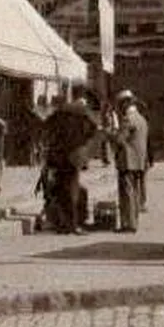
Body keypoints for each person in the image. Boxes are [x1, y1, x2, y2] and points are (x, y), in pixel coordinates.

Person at [41, 93, 98, 234]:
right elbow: (93, 129)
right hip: (74, 157)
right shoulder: (82, 115)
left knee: (61, 190)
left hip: (59, 157)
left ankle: (63, 224)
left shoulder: (57, 116)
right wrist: (82, 142)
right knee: (72, 190)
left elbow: (45, 130)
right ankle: (73, 224)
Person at [107, 90, 149, 232]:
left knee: (127, 193)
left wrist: (109, 133)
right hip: (139, 162)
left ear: (125, 104)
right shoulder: (141, 119)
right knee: (135, 193)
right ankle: (133, 221)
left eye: (120, 104)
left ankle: (128, 224)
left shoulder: (128, 119)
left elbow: (120, 139)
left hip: (128, 161)